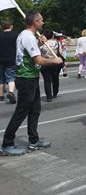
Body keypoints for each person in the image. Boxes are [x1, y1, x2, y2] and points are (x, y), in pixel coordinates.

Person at [1, 12, 63, 156]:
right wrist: (55, 61)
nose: (43, 23)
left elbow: (31, 54)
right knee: (21, 111)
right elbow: (39, 60)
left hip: (31, 77)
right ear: (35, 21)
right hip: (26, 78)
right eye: (41, 20)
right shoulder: (28, 37)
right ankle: (7, 143)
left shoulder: (26, 35)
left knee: (35, 109)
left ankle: (33, 140)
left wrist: (40, 43)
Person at [40, 30, 63, 102]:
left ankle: (49, 96)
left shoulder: (42, 44)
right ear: (52, 36)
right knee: (55, 78)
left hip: (45, 63)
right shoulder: (57, 42)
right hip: (55, 62)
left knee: (47, 80)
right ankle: (55, 92)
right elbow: (61, 52)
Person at [0, 20, 18, 104]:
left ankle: (1, 95)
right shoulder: (15, 35)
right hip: (12, 59)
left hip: (0, 59)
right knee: (11, 77)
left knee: (1, 79)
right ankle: (11, 92)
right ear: (11, 26)